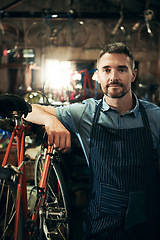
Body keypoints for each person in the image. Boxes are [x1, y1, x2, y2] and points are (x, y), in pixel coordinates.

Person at [25, 42, 160, 240]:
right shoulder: (86, 113)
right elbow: (26, 109)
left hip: (148, 220)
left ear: (133, 74)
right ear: (98, 75)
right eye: (107, 70)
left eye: (121, 69)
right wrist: (50, 120)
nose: (114, 77)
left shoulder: (155, 117)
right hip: (101, 221)